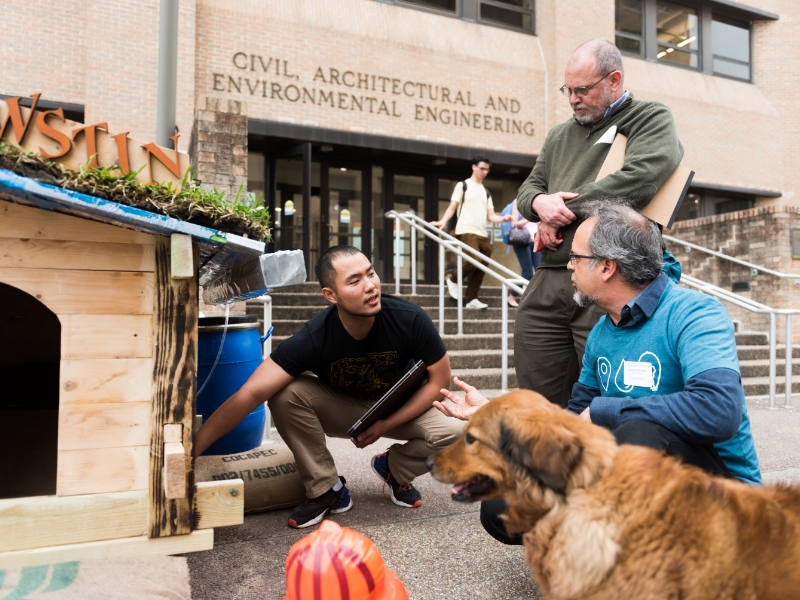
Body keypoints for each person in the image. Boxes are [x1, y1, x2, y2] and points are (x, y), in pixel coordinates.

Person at [434, 202, 761, 545]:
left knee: (638, 434)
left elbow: (719, 410)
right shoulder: (603, 332)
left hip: (724, 496)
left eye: (575, 256)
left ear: (607, 266)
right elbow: (573, 425)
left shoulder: (696, 313)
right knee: (504, 503)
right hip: (630, 479)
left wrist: (608, 410)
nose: (569, 266)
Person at [195, 245, 463, 529]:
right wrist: (193, 451)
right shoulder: (314, 337)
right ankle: (327, 489)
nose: (370, 286)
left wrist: (384, 425)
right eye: (355, 281)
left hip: (401, 407)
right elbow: (250, 394)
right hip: (346, 409)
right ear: (330, 295)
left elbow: (438, 382)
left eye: (370, 273)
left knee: (462, 431)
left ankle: (395, 469)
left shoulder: (409, 319)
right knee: (286, 393)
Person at [514, 38, 684, 406]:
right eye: (568, 90)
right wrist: (541, 204)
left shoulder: (650, 118)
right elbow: (529, 189)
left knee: (611, 399)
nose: (573, 99)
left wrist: (563, 213)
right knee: (536, 404)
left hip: (613, 274)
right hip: (550, 276)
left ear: (614, 80)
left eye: (582, 90)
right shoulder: (560, 134)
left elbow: (640, 179)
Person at [430, 154, 512, 310]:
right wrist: (443, 221)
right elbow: (453, 207)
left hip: (482, 233)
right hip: (466, 230)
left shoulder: (486, 191)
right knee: (474, 259)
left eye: (487, 169)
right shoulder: (463, 186)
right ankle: (453, 279)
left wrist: (503, 219)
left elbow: (491, 215)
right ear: (473, 167)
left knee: (482, 267)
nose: (485, 172)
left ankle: (471, 299)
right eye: (482, 168)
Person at [506, 202, 540, 308]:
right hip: (522, 240)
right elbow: (514, 224)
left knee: (539, 272)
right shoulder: (518, 202)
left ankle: (534, 299)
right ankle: (512, 296)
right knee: (528, 273)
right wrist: (531, 218)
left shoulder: (539, 202)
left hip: (535, 241)